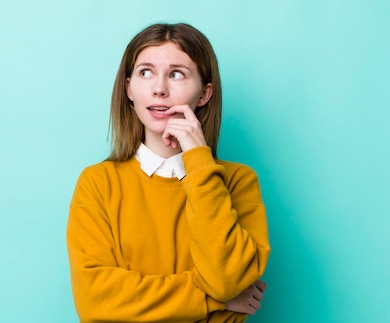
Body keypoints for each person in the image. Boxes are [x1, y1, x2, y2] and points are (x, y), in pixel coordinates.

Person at [66, 22, 271, 323]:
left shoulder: (238, 182)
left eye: (177, 74)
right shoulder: (98, 183)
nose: (159, 88)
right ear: (129, 89)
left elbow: (228, 279)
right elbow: (95, 301)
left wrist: (199, 163)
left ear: (204, 94)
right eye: (145, 72)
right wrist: (213, 299)